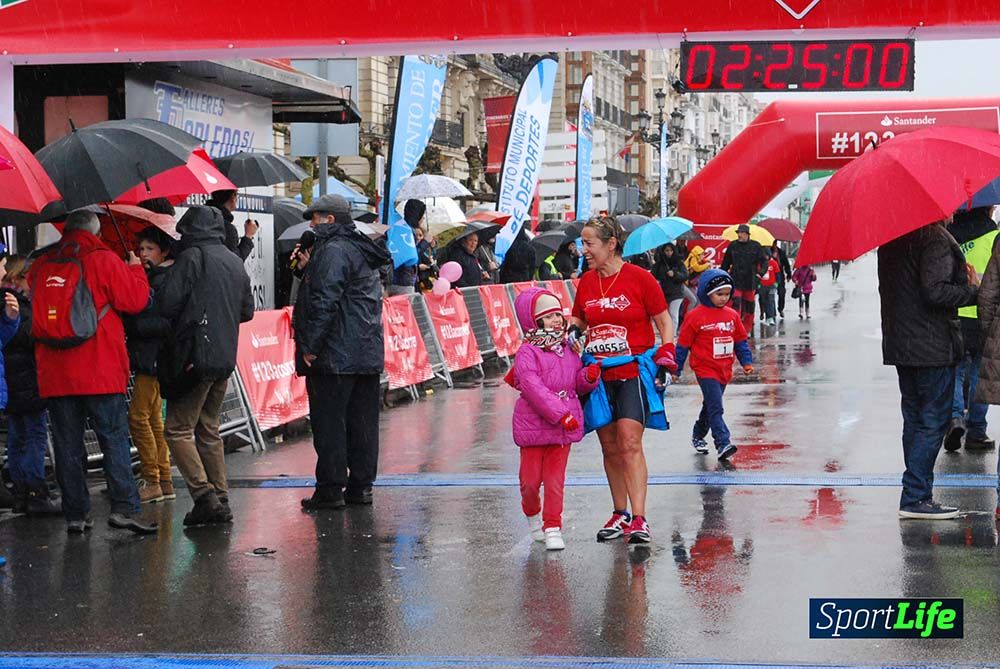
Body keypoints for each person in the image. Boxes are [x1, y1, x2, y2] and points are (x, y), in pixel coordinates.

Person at [28, 209, 158, 534]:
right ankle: (125, 508)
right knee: (113, 439)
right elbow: (136, 300)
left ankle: (76, 515)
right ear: (96, 231)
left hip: (56, 372)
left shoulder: (42, 263)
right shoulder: (102, 258)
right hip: (100, 366)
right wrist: (135, 268)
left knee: (67, 444)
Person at [571, 216, 674, 545]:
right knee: (609, 446)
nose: (583, 249)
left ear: (610, 244)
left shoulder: (641, 279)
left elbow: (664, 321)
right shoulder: (587, 281)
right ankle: (620, 512)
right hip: (598, 374)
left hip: (631, 370)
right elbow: (580, 317)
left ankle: (640, 518)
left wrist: (666, 352)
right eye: (582, 243)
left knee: (629, 442)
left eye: (589, 243)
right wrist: (572, 330)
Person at [157, 206, 254, 526]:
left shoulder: (191, 258)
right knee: (208, 427)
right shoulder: (232, 261)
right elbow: (247, 312)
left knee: (177, 429)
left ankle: (204, 496)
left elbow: (167, 303)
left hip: (194, 357)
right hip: (224, 358)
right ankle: (220, 495)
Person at [293, 194, 391, 510]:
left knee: (330, 423)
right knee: (363, 423)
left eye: (316, 218)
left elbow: (325, 302)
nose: (311, 224)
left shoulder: (332, 251)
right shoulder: (357, 248)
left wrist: (311, 347)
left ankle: (331, 488)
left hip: (335, 354)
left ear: (330, 220)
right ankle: (361, 486)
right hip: (365, 350)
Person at [878, 220, 978, 520]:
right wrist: (971, 290)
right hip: (931, 345)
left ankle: (916, 493)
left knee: (914, 419)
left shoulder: (892, 237)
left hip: (902, 343)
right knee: (933, 421)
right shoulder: (934, 238)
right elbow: (934, 292)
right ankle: (916, 496)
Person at [508, 287, 601, 550]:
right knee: (529, 482)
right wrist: (561, 414)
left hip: (563, 427)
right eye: (549, 317)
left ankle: (552, 526)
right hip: (536, 425)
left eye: (558, 315)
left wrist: (588, 378)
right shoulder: (527, 352)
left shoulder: (569, 348)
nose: (557, 321)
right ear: (534, 321)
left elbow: (574, 385)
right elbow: (531, 386)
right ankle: (532, 514)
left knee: (554, 480)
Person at [674, 269, 754, 460]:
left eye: (727, 294)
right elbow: (683, 345)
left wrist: (747, 362)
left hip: (724, 369)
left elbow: (740, 341)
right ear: (706, 293)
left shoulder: (732, 315)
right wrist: (675, 368)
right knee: (716, 406)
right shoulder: (695, 316)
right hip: (705, 369)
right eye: (719, 294)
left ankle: (698, 434)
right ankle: (722, 442)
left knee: (710, 405)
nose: (723, 298)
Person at [123, 226, 176, 504]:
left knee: (138, 416)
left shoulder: (162, 280)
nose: (143, 254)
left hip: (153, 357)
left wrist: (134, 321)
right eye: (141, 249)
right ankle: (163, 478)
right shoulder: (153, 277)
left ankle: (152, 478)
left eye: (149, 249)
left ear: (163, 251)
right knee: (154, 418)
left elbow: (159, 320)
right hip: (150, 356)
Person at [945, 206, 998, 451]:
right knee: (979, 371)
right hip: (979, 314)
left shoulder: (949, 235)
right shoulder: (992, 237)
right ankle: (976, 429)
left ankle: (955, 418)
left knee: (955, 371)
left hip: (955, 312)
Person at [0, 249, 34, 512]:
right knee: (29, 435)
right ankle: (31, 488)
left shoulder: (11, 306)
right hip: (25, 384)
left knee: (18, 435)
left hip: (13, 384)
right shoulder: (23, 305)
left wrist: (10, 320)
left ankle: (20, 486)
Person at [720, 224, 766, 335]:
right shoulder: (733, 246)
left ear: (746, 234)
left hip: (750, 281)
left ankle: (747, 329)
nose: (739, 235)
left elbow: (764, 262)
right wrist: (722, 274)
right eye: (738, 233)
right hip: (736, 279)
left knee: (749, 306)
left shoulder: (756, 246)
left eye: (741, 233)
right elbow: (726, 262)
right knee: (735, 304)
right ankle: (734, 328)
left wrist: (760, 274)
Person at [207, 189, 258, 261]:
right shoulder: (227, 228)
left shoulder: (203, 219)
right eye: (236, 195)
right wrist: (248, 236)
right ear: (232, 197)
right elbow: (235, 261)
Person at [389, 199, 425, 296]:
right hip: (403, 281)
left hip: (394, 279)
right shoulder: (408, 232)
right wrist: (425, 243)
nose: (423, 219)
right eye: (422, 215)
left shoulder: (400, 228)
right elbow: (410, 256)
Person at [652, 243, 689, 331]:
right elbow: (653, 275)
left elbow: (685, 275)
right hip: (663, 292)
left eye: (671, 250)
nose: (669, 253)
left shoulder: (679, 262)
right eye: (667, 250)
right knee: (664, 315)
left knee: (673, 314)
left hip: (676, 292)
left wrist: (675, 274)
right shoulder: (659, 263)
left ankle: (672, 335)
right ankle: (666, 333)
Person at [757, 251, 780, 327]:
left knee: (770, 300)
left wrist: (776, 284)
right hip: (762, 286)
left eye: (767, 255)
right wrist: (758, 284)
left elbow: (778, 274)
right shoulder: (759, 263)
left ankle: (771, 317)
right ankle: (767, 316)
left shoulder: (773, 263)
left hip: (772, 285)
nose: (766, 257)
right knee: (764, 301)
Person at [771, 242, 792, 319]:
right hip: (771, 275)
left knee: (782, 293)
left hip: (780, 275)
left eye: (775, 243)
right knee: (770, 294)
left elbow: (786, 264)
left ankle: (780, 308)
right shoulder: (768, 251)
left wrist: (789, 274)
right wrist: (773, 258)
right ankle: (771, 312)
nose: (774, 245)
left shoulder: (781, 252)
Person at [415, 226, 438, 292]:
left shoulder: (430, 250)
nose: (418, 237)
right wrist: (418, 267)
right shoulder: (416, 250)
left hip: (429, 282)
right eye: (416, 235)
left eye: (420, 235)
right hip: (419, 283)